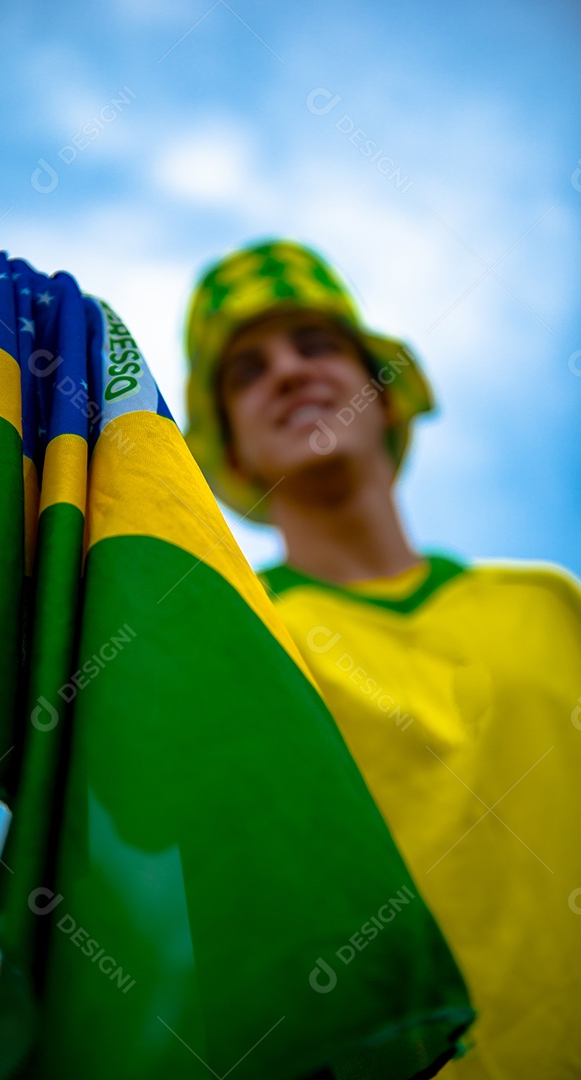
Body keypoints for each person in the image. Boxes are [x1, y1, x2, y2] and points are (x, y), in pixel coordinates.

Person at [183, 239, 581, 1080]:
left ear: (387, 400)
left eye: (318, 346)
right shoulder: (223, 642)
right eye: (247, 370)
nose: (289, 372)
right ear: (231, 449)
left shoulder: (550, 606)